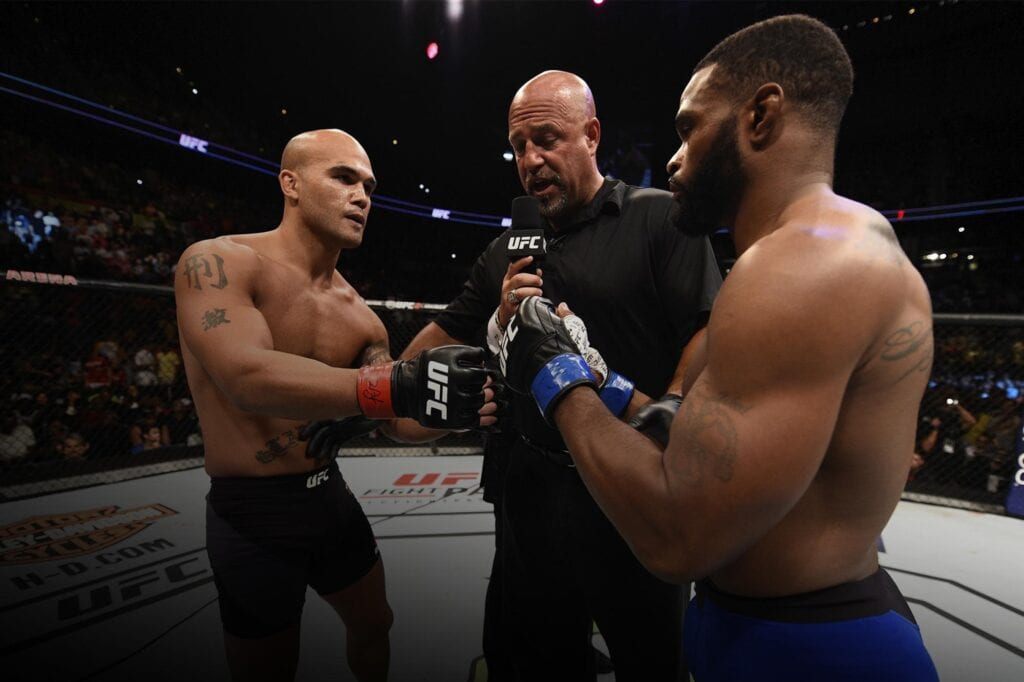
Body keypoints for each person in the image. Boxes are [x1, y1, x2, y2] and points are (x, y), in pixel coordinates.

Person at [501, 15, 939, 681]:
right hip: (765, 624)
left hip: (809, 644)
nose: (675, 158)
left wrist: (550, 370)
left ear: (760, 116)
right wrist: (603, 379)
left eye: (689, 127)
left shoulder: (806, 268)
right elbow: (691, 435)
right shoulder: (795, 256)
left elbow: (677, 536)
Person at [400, 71, 721, 681]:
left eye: (546, 139)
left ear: (592, 134)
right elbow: (424, 357)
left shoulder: (658, 217)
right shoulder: (504, 253)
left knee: (653, 660)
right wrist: (479, 356)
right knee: (531, 662)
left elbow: (708, 327)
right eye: (519, 146)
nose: (530, 159)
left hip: (631, 488)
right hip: (528, 496)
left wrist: (673, 406)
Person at [174, 128, 496, 682]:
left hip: (328, 498)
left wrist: (459, 413)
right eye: (343, 177)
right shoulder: (218, 262)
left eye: (369, 185)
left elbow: (396, 420)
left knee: (375, 623)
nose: (362, 195)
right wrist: (390, 386)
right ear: (290, 183)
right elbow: (244, 375)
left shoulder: (360, 318)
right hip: (251, 511)